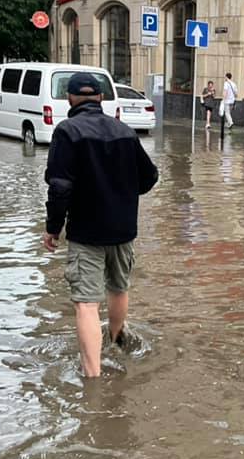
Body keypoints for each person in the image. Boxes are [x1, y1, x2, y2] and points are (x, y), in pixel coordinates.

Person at [43, 73, 159, 378]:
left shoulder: (67, 131)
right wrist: (120, 194)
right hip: (123, 230)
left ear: (70, 99)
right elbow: (149, 177)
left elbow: (59, 187)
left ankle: (92, 377)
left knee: (86, 304)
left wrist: (53, 228)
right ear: (101, 98)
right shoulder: (123, 130)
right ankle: (116, 339)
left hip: (86, 232)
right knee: (118, 288)